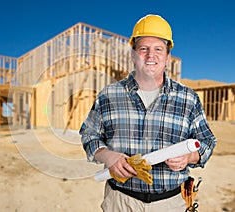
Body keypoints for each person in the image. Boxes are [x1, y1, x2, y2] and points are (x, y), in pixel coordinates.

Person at [79, 14, 217, 211]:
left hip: (170, 204)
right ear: (133, 55)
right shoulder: (108, 95)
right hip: (120, 201)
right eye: (143, 49)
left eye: (158, 49)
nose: (151, 55)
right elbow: (89, 135)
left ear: (167, 57)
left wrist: (190, 157)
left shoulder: (188, 99)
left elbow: (208, 142)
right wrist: (107, 156)